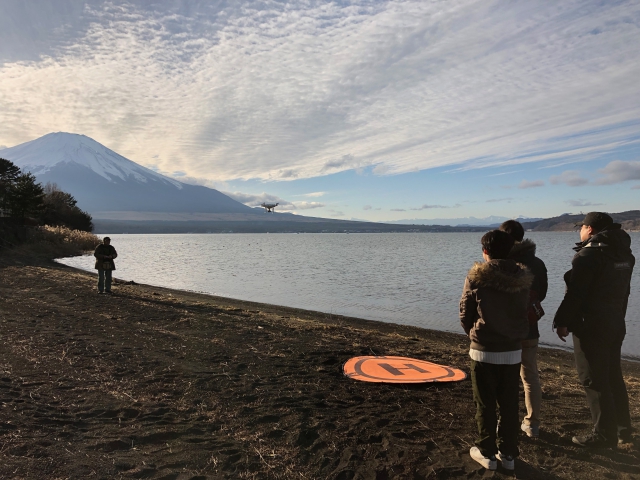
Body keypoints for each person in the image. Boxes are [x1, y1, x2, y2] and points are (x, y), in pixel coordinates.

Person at [554, 212, 635, 448]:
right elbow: (625, 293)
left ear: (589, 229)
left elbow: (575, 294)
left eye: (582, 227)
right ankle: (623, 431)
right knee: (613, 376)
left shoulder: (588, 255)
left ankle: (603, 435)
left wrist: (561, 321)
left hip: (591, 325)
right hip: (615, 321)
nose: (580, 231)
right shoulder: (624, 254)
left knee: (593, 379)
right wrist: (618, 316)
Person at [460, 230, 532, 471]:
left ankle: (487, 452)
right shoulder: (523, 278)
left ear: (485, 252)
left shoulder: (476, 277)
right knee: (510, 403)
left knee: (485, 403)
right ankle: (509, 454)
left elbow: (465, 311)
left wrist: (473, 332)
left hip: (483, 349)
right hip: (512, 350)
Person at [499, 220, 548, 438]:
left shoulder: (503, 263)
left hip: (506, 330)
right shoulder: (537, 263)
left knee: (505, 377)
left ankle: (504, 421)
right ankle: (532, 423)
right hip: (530, 327)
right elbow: (543, 293)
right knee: (530, 376)